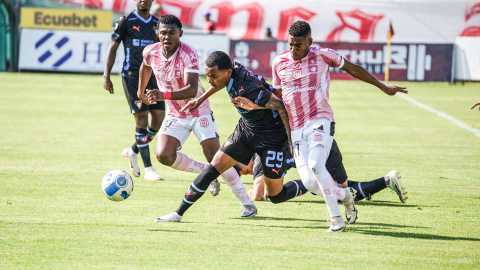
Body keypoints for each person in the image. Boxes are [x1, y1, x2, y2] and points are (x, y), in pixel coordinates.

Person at [152, 51, 357, 232]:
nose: (210, 80)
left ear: (228, 72)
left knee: (275, 196)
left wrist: (290, 142)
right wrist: (201, 97)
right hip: (247, 131)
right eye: (208, 75)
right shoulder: (229, 72)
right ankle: (178, 214)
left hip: (273, 139)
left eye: (213, 76)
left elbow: (281, 107)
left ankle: (319, 188)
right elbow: (218, 83)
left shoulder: (249, 89)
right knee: (214, 167)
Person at [270, 20, 408, 232]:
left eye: (298, 45)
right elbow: (279, 102)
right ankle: (347, 195)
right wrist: (288, 138)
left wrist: (382, 86)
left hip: (320, 120)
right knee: (309, 183)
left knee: (317, 165)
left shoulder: (324, 55)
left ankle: (336, 220)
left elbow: (353, 69)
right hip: (297, 129)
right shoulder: (278, 62)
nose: (293, 49)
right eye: (290, 44)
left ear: (310, 42)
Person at [139, 15, 255, 210]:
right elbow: (145, 66)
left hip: (198, 110)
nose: (167, 37)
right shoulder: (150, 51)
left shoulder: (188, 54)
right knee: (163, 155)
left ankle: (247, 204)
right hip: (175, 113)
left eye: (172, 33)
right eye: (164, 33)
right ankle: (207, 173)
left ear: (180, 34)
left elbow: (192, 89)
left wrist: (163, 94)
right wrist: (140, 90)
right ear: (157, 34)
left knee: (216, 157)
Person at [103, 0, 165, 181]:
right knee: (142, 119)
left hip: (153, 77)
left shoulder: (157, 24)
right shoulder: (126, 21)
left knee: (158, 120)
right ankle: (149, 169)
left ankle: (133, 150)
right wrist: (106, 75)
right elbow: (112, 48)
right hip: (132, 76)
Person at [242, 140, 407, 203]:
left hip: (323, 149)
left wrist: (255, 194)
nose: (247, 174)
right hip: (320, 144)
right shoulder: (264, 150)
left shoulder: (258, 159)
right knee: (326, 187)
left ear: (248, 161)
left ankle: (387, 180)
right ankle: (382, 183)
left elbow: (258, 195)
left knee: (342, 193)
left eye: (244, 171)